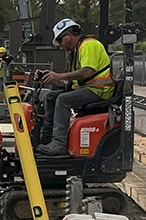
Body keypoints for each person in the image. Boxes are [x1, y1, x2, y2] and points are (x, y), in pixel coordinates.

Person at [36, 18, 114, 156]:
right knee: (50, 97)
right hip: (88, 89)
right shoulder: (76, 52)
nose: (60, 45)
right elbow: (70, 84)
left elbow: (87, 72)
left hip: (100, 90)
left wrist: (60, 76)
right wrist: (51, 79)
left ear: (68, 35)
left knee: (63, 100)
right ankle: (45, 140)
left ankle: (58, 144)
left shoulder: (88, 45)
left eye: (60, 41)